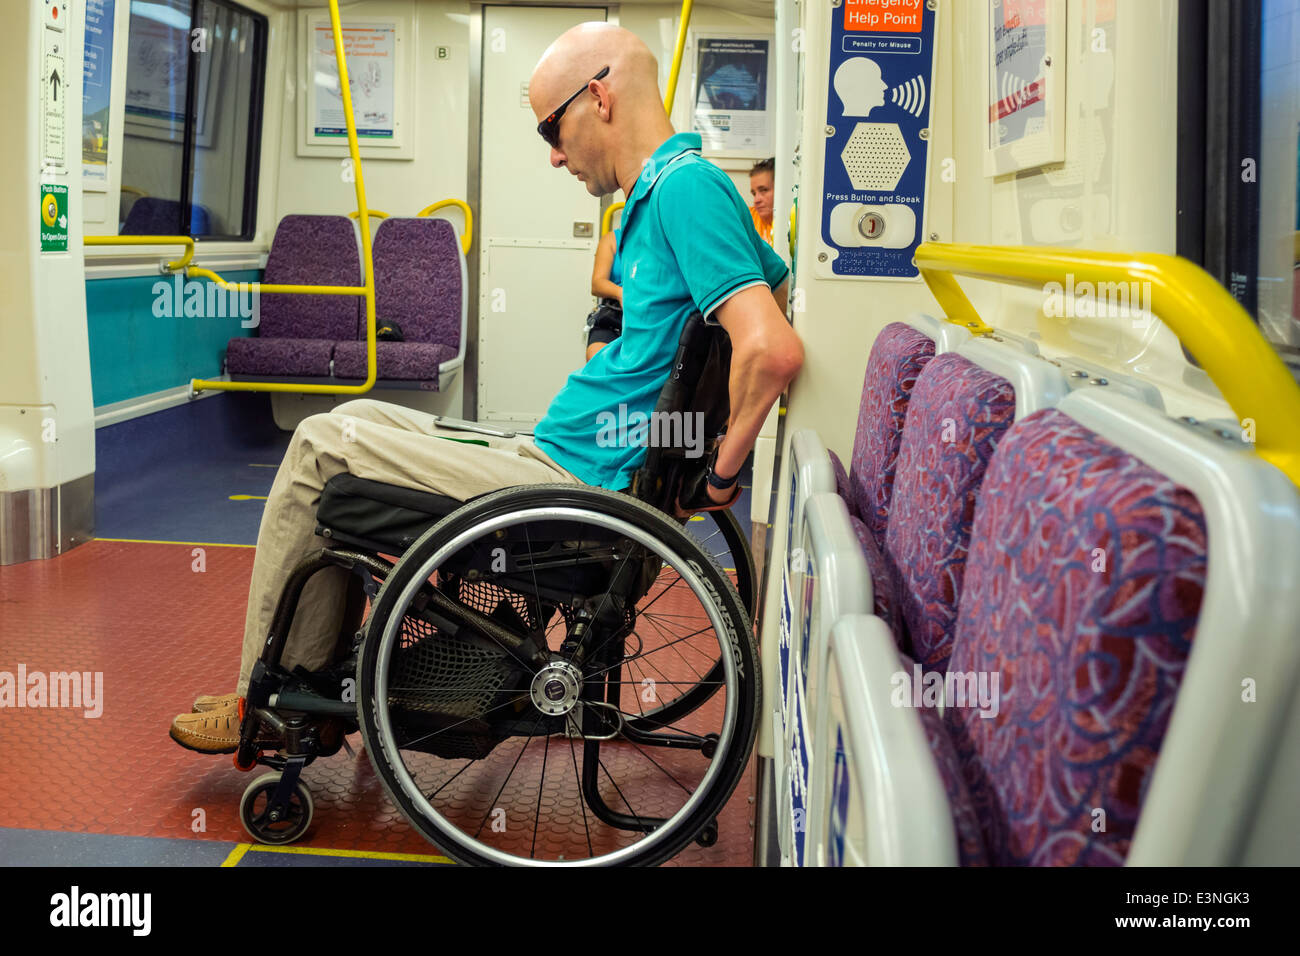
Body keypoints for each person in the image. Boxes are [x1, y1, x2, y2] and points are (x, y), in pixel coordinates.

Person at [169, 22, 802, 753]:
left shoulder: (685, 189)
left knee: (321, 442)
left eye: (550, 130)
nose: (557, 155)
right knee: (359, 415)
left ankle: (271, 698)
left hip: (575, 481)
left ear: (597, 96)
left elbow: (771, 347)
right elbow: (777, 288)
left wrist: (718, 473)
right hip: (568, 458)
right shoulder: (674, 187)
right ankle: (306, 681)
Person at [585, 225, 623, 361]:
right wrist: (620, 293)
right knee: (597, 357)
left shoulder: (660, 240)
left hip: (649, 312)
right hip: (616, 311)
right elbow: (597, 284)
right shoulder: (612, 239)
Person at [749, 157, 775, 244]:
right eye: (754, 193)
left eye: (764, 190)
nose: (756, 200)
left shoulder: (796, 223)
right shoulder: (748, 217)